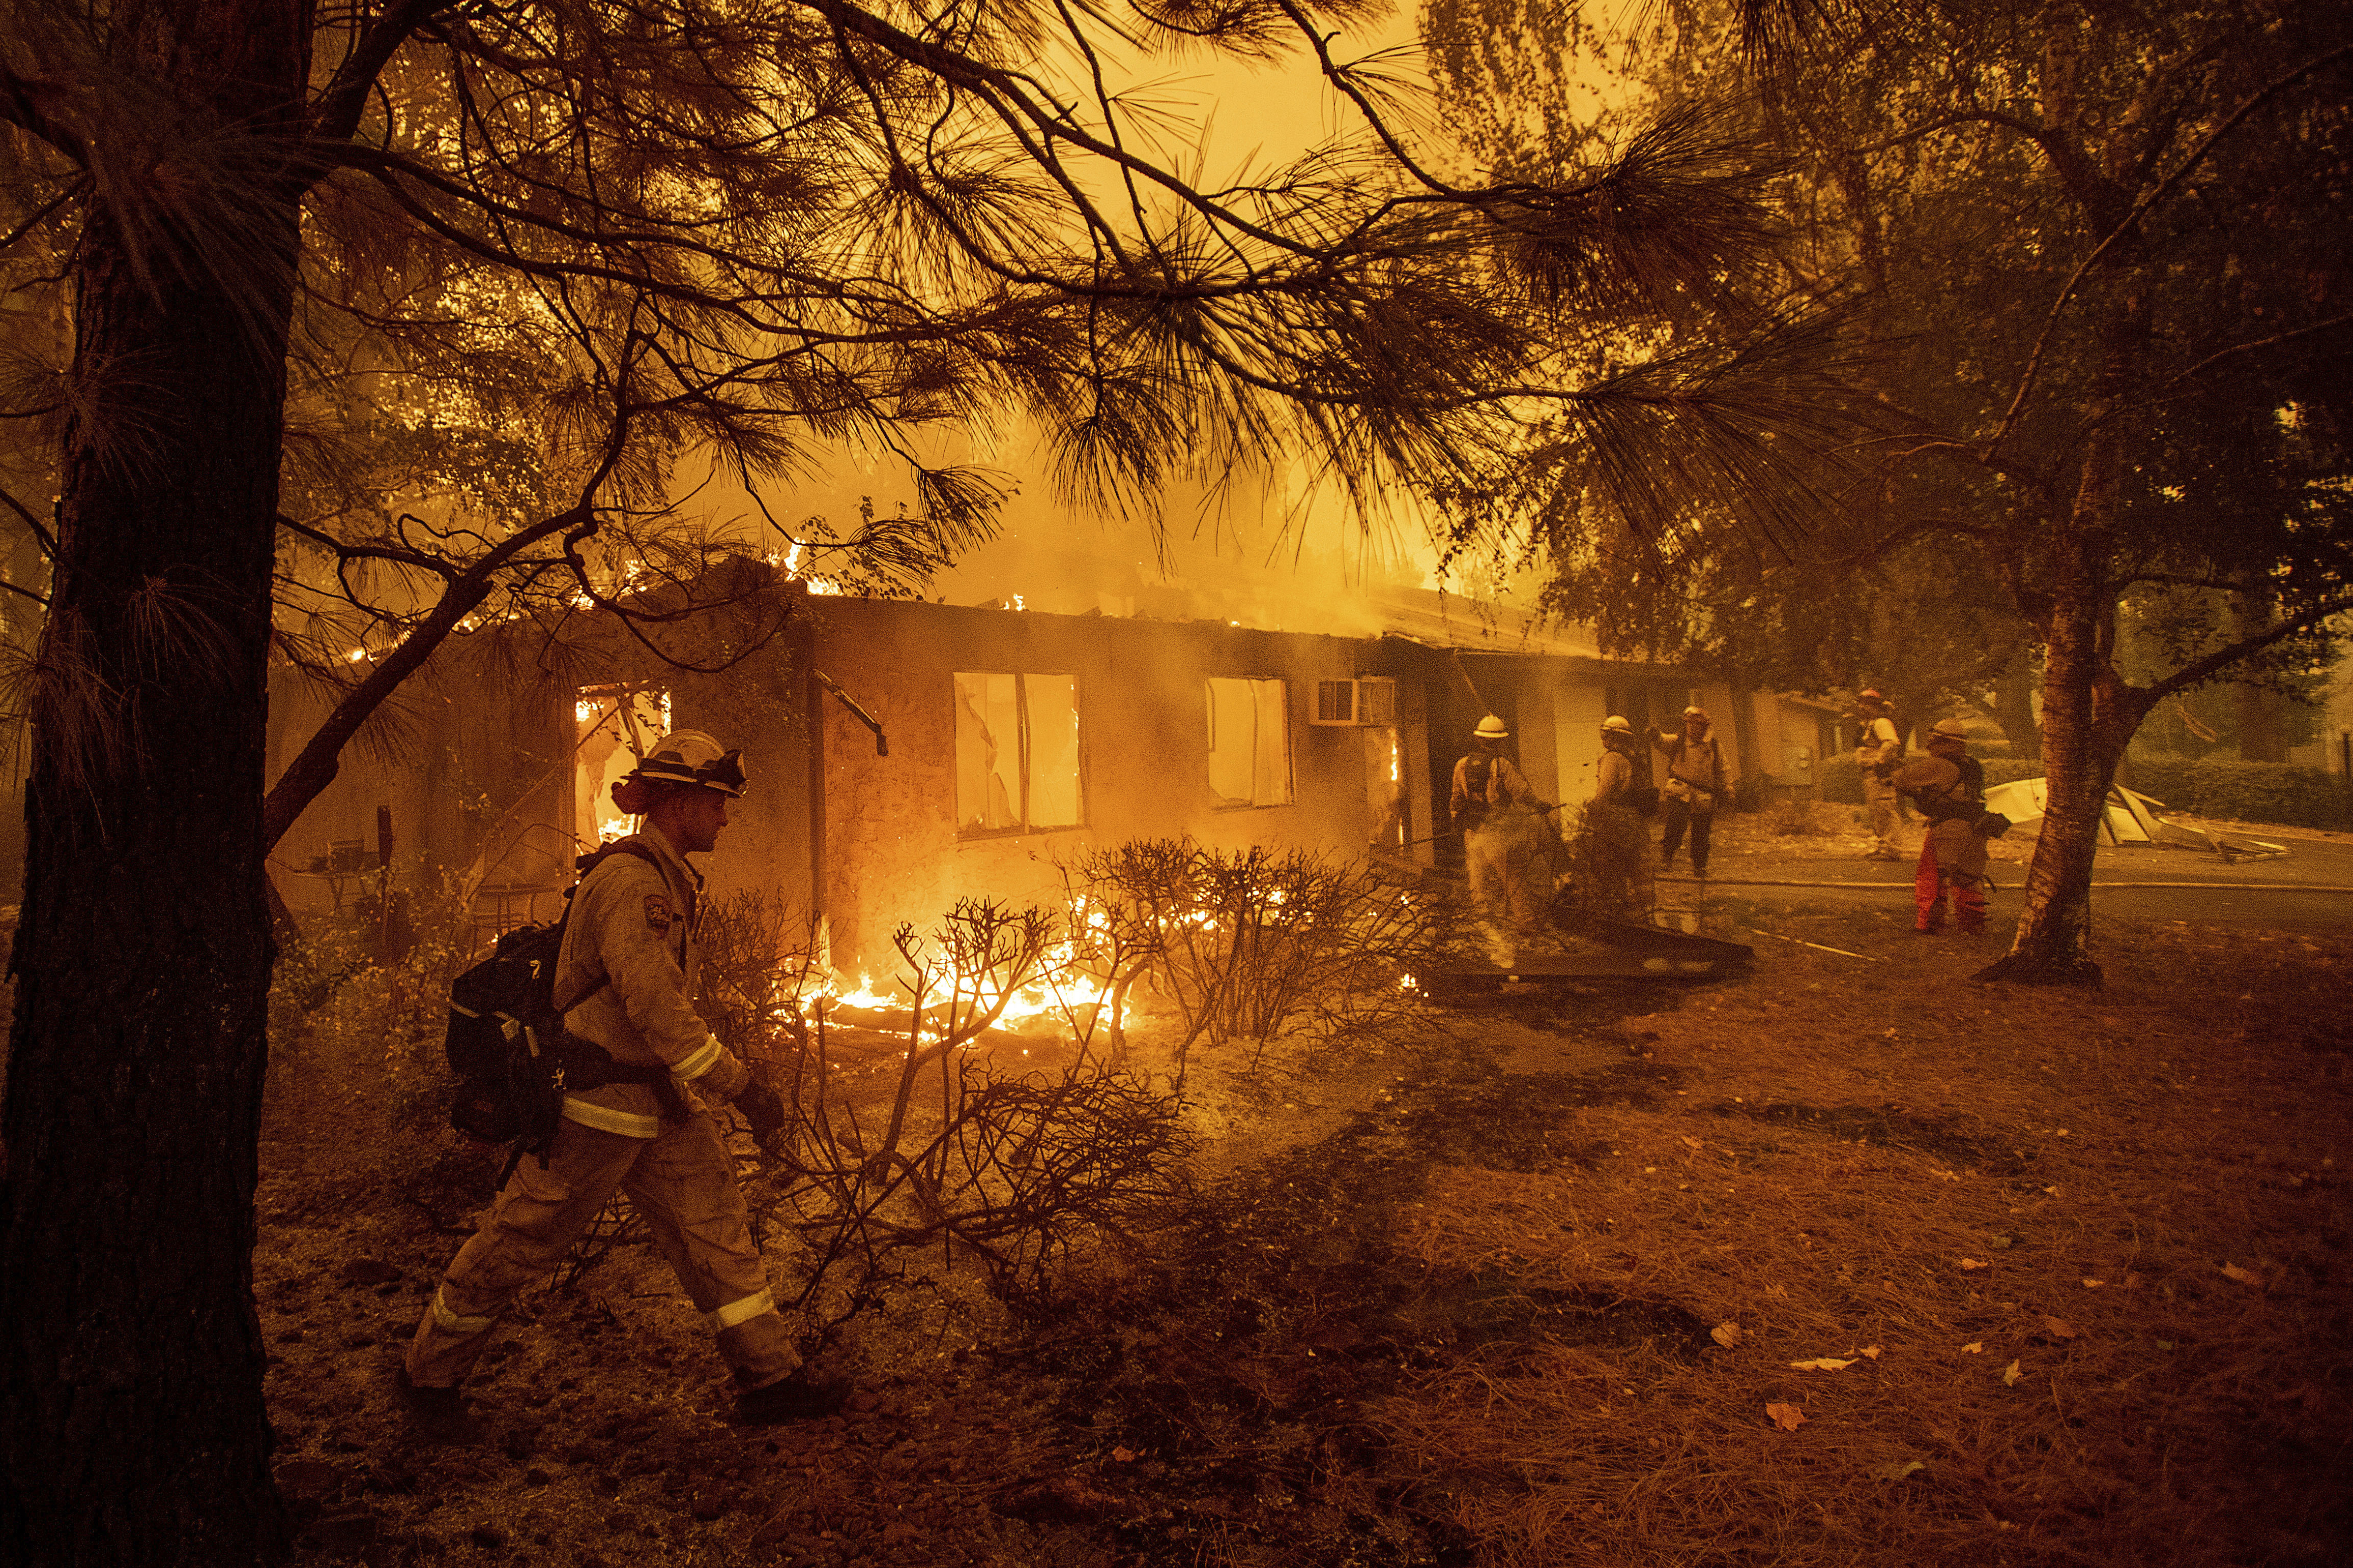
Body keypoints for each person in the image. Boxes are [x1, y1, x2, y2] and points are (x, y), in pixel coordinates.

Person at [401, 730, 830, 1427]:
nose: (726, 816)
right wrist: (740, 1083)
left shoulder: (662, 877)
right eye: (718, 802)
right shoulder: (634, 884)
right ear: (681, 800)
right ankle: (427, 1378)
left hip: (656, 1103)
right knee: (521, 1237)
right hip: (596, 1109)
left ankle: (771, 1379)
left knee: (714, 1226)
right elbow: (656, 1008)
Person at [1450, 715, 1557, 954]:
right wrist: (1540, 806)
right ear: (1499, 742)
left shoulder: (1462, 765)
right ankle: (1526, 923)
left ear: (1480, 740)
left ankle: (1482, 923)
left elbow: (1456, 800)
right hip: (1498, 832)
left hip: (1474, 832)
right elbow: (1522, 793)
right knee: (1513, 877)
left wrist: (1459, 824)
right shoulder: (1502, 765)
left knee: (1477, 880)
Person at [1890, 717, 1990, 934]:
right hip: (1977, 827)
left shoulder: (1940, 764)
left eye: (1933, 740)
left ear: (1947, 743)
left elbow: (1902, 780)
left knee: (1932, 875)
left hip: (1949, 828)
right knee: (1969, 877)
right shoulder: (1972, 764)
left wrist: (1890, 766)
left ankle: (1928, 924)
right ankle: (1973, 927)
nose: (1929, 746)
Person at [1652, 705, 1729, 878]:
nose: (1692, 728)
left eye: (1696, 724)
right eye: (1689, 724)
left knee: (1702, 832)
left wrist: (1727, 787)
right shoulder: (1679, 742)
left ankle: (1700, 865)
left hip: (1703, 796)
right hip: (1680, 792)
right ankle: (1667, 858)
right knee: (1674, 827)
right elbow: (1663, 741)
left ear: (1704, 726)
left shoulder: (1715, 746)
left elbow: (1723, 769)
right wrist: (1656, 735)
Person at [1588, 715, 1654, 913]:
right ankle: (1646, 911)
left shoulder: (1612, 759)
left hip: (1617, 819)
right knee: (1638, 866)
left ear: (1618, 737)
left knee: (1612, 865)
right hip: (1636, 820)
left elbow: (1604, 792)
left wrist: (1592, 810)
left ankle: (1619, 911)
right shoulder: (1633, 756)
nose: (1603, 739)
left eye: (1607, 735)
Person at [1854, 689, 1905, 861]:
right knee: (1877, 812)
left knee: (1885, 809)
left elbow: (1891, 743)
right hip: (1871, 775)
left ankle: (1891, 849)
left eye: (1865, 704)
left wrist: (1878, 760)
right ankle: (1883, 846)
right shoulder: (1870, 724)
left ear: (1874, 706)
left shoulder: (1881, 722)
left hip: (1880, 775)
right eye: (1860, 703)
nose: (1861, 707)